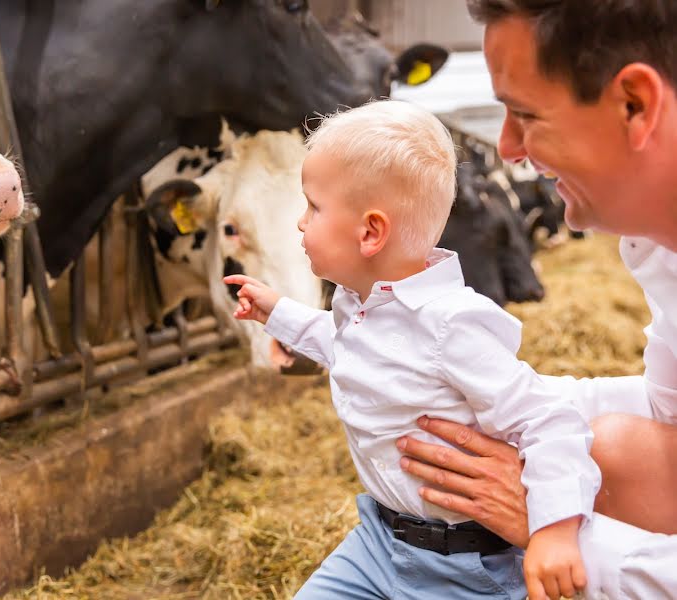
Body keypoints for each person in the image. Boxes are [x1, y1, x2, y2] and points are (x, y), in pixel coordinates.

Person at [225, 99, 600, 600]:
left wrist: (554, 527)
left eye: (313, 206)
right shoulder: (360, 306)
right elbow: (341, 347)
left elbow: (548, 419)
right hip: (378, 542)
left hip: (468, 569)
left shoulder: (452, 324)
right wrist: (277, 311)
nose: (300, 222)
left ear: (371, 232)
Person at [394, 2, 677, 598]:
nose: (509, 148)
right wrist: (494, 394)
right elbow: (666, 407)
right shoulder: (659, 246)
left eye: (524, 114)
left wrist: (549, 527)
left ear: (635, 105)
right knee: (606, 445)